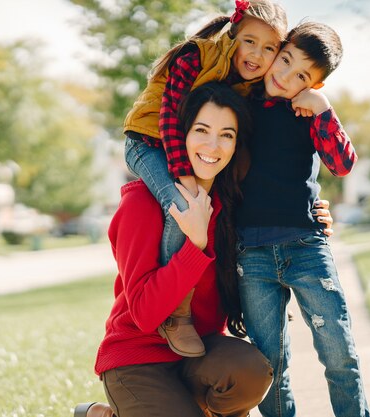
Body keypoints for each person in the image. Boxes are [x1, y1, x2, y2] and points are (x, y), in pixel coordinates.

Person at [76, 82, 274, 417]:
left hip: (200, 353)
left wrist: (313, 219)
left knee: (250, 371)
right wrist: (194, 245)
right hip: (139, 358)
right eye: (201, 130)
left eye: (227, 134)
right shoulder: (141, 202)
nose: (213, 145)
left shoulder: (231, 205)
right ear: (180, 135)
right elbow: (145, 313)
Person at [123, 0, 289, 358]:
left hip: (180, 149)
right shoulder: (197, 56)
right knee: (184, 206)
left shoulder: (250, 84)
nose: (257, 55)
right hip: (147, 142)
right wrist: (187, 179)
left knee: (210, 205)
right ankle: (177, 313)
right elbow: (170, 117)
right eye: (249, 41)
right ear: (233, 33)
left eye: (269, 48)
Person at [235, 22, 370, 417]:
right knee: (271, 367)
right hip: (252, 254)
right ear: (278, 49)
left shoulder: (308, 112)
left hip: (306, 247)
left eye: (301, 77)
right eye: (286, 60)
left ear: (315, 85)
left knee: (339, 354)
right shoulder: (240, 104)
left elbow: (342, 165)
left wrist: (323, 110)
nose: (285, 75)